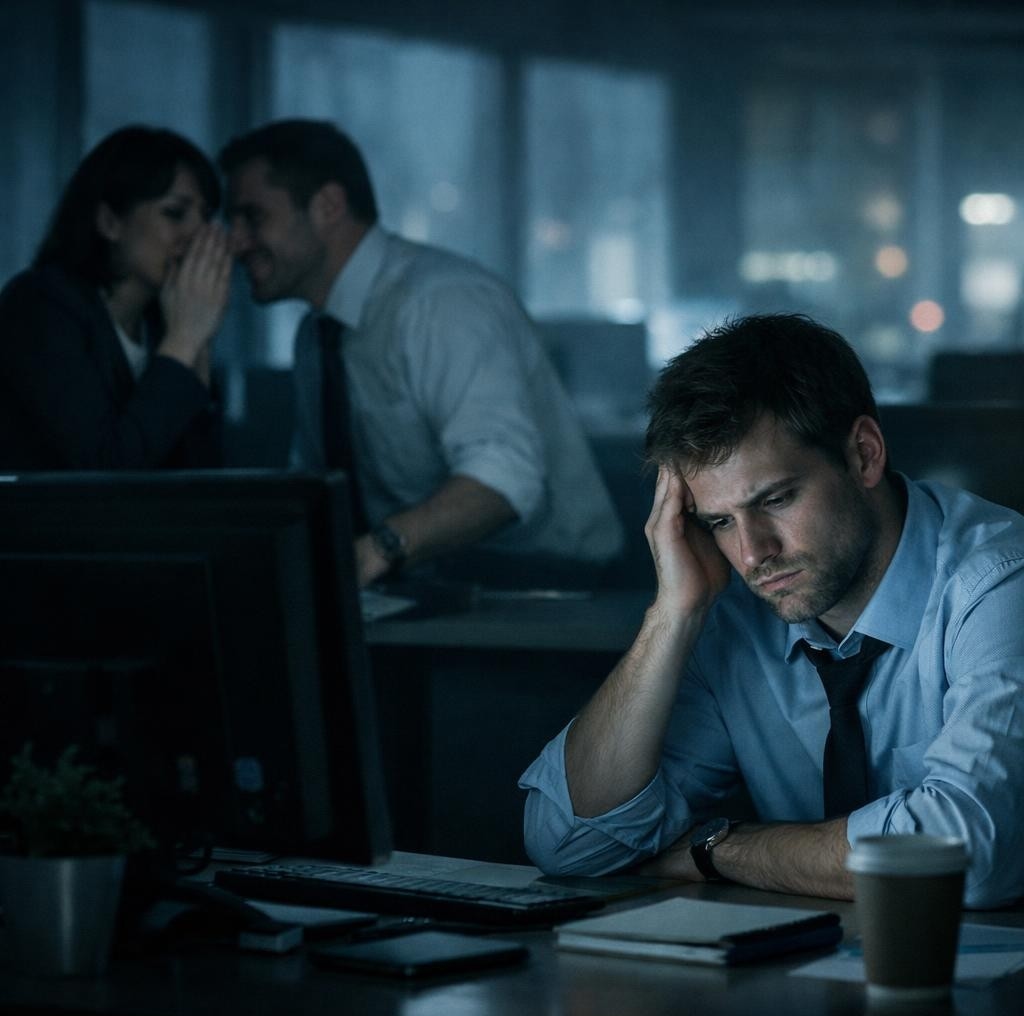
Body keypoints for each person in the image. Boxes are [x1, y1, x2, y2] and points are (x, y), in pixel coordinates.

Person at [520, 313, 1024, 909]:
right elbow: (568, 843)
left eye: (777, 499)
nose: (754, 553)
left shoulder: (998, 584)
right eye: (720, 521)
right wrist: (673, 614)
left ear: (864, 455)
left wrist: (716, 849)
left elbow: (966, 854)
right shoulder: (735, 612)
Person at [218, 119, 623, 588]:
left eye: (253, 217)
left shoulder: (441, 303)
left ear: (328, 206)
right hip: (435, 588)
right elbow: (314, 485)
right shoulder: (318, 335)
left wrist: (378, 551)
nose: (233, 242)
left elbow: (505, 479)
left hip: (550, 596)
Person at [0, 125, 232, 470]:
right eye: (175, 213)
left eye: (206, 216)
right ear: (110, 222)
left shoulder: (161, 323)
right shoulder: (41, 306)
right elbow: (104, 471)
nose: (199, 235)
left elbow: (198, 477)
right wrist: (184, 341)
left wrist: (196, 345)